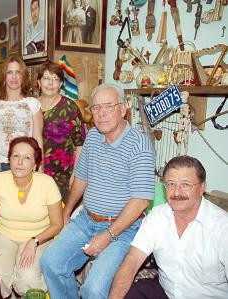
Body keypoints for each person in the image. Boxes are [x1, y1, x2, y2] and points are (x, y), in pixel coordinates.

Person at [40, 83, 156, 299]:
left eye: (108, 106)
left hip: (123, 229)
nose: (101, 113)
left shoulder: (139, 145)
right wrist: (67, 211)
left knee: (94, 289)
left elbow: (140, 200)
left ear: (123, 109)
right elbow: (81, 177)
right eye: (96, 108)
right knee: (51, 263)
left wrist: (108, 235)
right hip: (86, 219)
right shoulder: (92, 136)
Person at [109, 155, 228, 299]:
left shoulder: (222, 227)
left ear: (202, 187)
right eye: (171, 184)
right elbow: (132, 260)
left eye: (185, 185)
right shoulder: (157, 216)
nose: (177, 192)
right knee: (137, 290)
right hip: (166, 294)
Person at [0, 136, 63, 298]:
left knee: (27, 278)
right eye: (15, 156)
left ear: (35, 164)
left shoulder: (47, 183)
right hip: (4, 235)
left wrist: (35, 240)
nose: (20, 162)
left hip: (39, 237)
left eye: (27, 157)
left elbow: (57, 224)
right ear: (9, 159)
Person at [0, 56, 43, 171]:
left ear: (23, 76)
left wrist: (39, 166)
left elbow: (37, 138)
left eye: (18, 72)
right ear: (4, 76)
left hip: (24, 165)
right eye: (9, 72)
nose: (14, 77)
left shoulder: (32, 104)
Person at [38, 62, 83, 200]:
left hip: (62, 177)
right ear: (39, 82)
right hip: (34, 175)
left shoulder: (70, 108)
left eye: (55, 79)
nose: (50, 83)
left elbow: (80, 145)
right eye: (46, 78)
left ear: (61, 84)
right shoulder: (31, 105)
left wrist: (75, 176)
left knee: (59, 219)